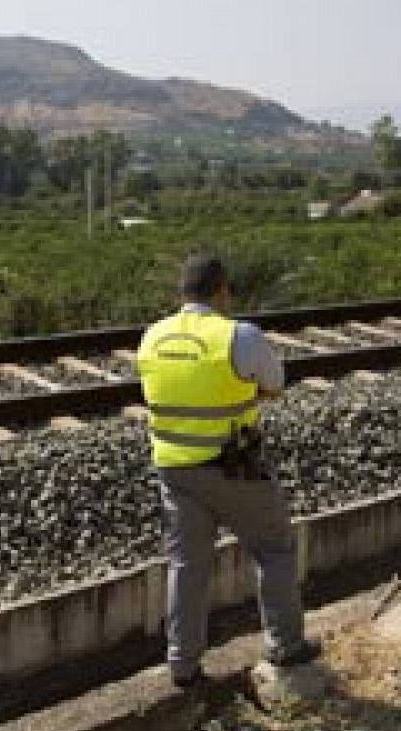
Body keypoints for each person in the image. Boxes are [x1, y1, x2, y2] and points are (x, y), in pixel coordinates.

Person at [136, 253, 318, 688]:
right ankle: (287, 649)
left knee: (187, 565)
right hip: (234, 467)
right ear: (222, 291)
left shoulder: (152, 337)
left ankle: (182, 666)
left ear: (182, 293)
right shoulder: (239, 335)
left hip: (175, 469)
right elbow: (275, 383)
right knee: (272, 549)